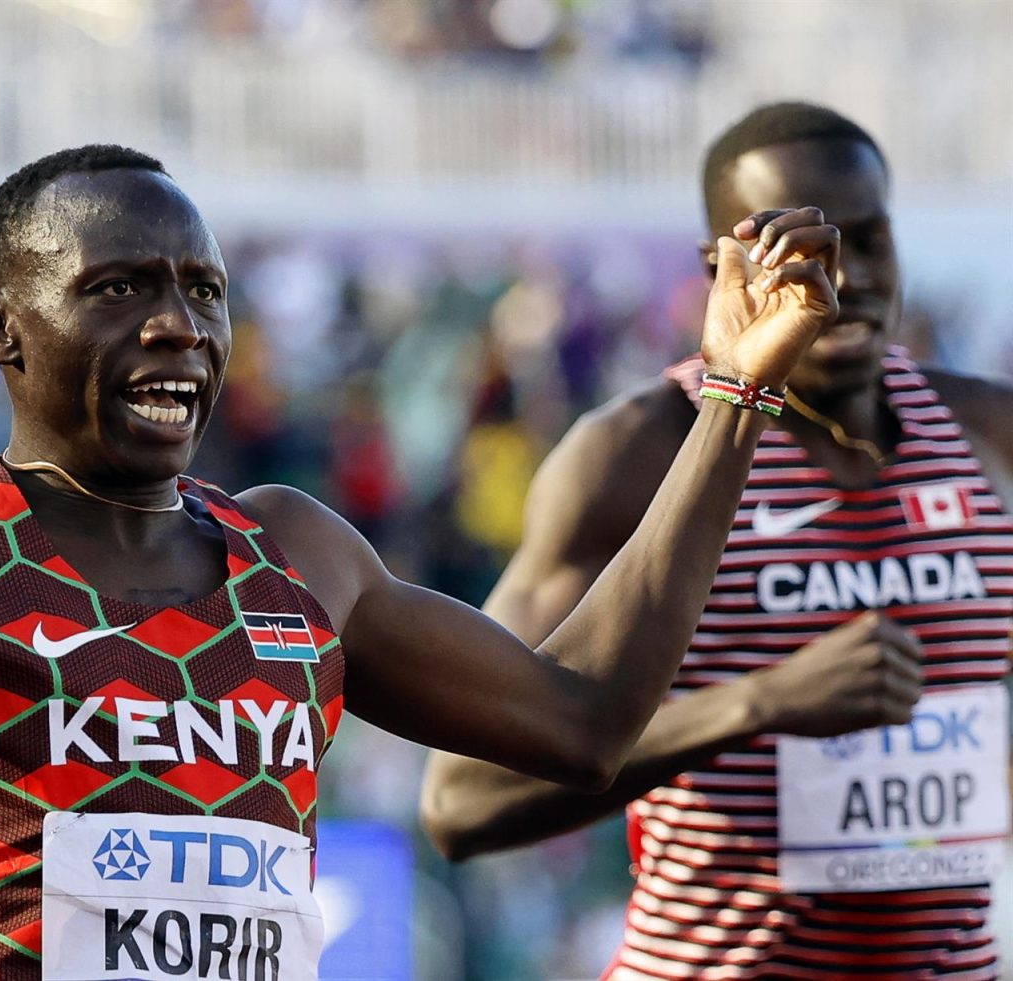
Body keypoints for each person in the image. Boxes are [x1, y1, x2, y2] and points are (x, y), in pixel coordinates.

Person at [0, 52, 838, 980]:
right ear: (3, 329)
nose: (179, 324)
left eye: (204, 290)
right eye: (119, 287)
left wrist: (734, 395)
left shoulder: (298, 552)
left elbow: (581, 723)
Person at [422, 102, 1013, 980]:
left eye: (870, 241)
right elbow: (462, 799)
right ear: (724, 270)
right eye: (804, 253)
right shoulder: (634, 455)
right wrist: (759, 704)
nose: (845, 283)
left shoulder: (990, 435)